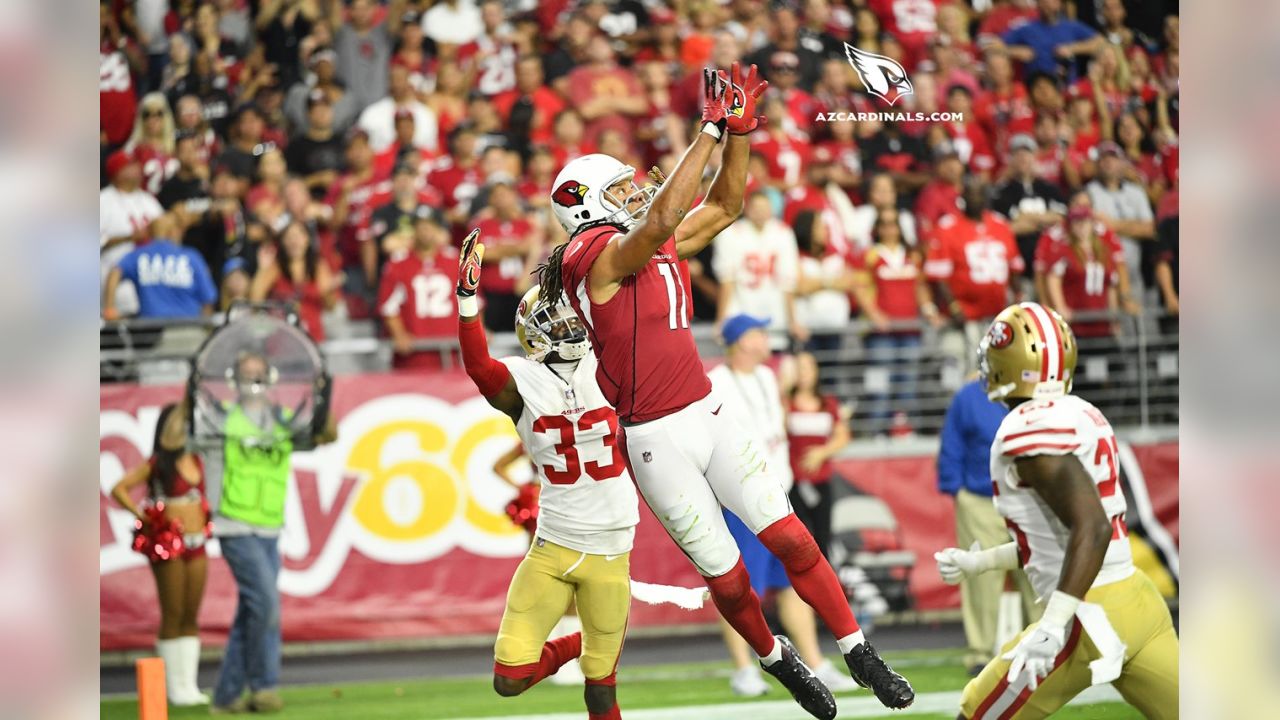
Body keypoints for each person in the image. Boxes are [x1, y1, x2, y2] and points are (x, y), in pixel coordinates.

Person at [536, 63, 914, 715]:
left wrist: (739, 132)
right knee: (729, 577)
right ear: (588, 203)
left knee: (792, 537)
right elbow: (654, 227)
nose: (634, 193)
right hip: (655, 440)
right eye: (621, 189)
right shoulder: (587, 257)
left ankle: (856, 648)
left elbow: (728, 205)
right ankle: (778, 660)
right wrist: (709, 128)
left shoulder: (639, 240)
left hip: (707, 411)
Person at [937, 302, 1178, 719]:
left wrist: (1052, 625)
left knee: (975, 713)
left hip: (1086, 613)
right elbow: (1061, 537)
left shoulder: (1027, 428)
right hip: (1137, 600)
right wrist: (982, 562)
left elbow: (1092, 528)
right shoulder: (1081, 412)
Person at [455, 230, 638, 720]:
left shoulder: (605, 362)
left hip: (610, 543)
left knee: (601, 692)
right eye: (557, 322)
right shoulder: (524, 384)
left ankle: (601, 638)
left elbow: (631, 303)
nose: (572, 327)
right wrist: (468, 301)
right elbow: (477, 365)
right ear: (536, 333)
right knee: (508, 679)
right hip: (553, 541)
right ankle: (588, 640)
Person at [708, 316, 859, 698]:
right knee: (740, 589)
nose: (764, 338)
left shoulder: (765, 376)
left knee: (792, 582)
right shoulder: (719, 383)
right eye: (757, 333)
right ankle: (743, 668)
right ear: (741, 341)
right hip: (743, 496)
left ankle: (816, 661)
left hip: (778, 493)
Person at [208, 350, 337, 714]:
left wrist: (324, 396)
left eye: (260, 373)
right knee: (265, 605)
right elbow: (183, 431)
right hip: (234, 523)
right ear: (234, 380)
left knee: (252, 611)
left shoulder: (282, 420)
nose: (254, 380)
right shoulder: (219, 418)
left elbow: (328, 434)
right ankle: (264, 688)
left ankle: (225, 696)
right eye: (247, 373)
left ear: (271, 377)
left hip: (268, 527)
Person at [110, 401, 212, 706]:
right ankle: (172, 687)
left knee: (191, 614)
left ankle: (188, 685)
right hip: (169, 543)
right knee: (173, 613)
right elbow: (119, 488)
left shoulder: (198, 459)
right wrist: (143, 516)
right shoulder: (156, 463)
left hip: (198, 542)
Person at [937, 376, 1040, 676]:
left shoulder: (1036, 392)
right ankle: (980, 652)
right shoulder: (969, 397)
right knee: (980, 579)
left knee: (1038, 572)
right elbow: (952, 442)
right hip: (981, 499)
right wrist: (957, 489)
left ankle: (1041, 645)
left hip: (1029, 498)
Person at [925, 178, 1025, 372]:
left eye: (980, 193)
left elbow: (1014, 269)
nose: (975, 198)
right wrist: (954, 307)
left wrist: (1016, 300)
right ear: (962, 196)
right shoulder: (948, 227)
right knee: (960, 370)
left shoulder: (1001, 225)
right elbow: (939, 276)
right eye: (971, 193)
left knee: (997, 370)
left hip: (997, 315)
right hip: (963, 317)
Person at [713, 190, 802, 349]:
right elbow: (727, 279)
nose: (760, 212)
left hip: (774, 313)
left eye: (764, 207)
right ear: (747, 209)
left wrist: (793, 320)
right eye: (756, 208)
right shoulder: (731, 233)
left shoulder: (783, 233)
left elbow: (787, 282)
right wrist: (721, 319)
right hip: (740, 311)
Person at [378, 207, 459, 370]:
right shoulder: (398, 263)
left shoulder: (455, 260)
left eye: (429, 225)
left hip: (451, 351)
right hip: (413, 354)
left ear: (438, 229)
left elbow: (474, 302)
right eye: (420, 226)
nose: (425, 231)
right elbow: (388, 306)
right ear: (413, 230)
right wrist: (399, 334)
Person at [103, 214, 218, 321]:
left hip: (151, 333)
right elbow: (208, 300)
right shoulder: (191, 257)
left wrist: (110, 309)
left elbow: (115, 272)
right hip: (187, 330)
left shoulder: (140, 255)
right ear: (172, 232)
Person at [1041, 206, 1133, 338]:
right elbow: (1053, 279)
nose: (1081, 226)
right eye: (1076, 222)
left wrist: (1114, 315)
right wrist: (1061, 308)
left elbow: (1111, 286)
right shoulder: (1064, 250)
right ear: (1070, 226)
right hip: (1076, 321)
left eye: (1085, 221)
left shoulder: (1104, 251)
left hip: (1102, 320)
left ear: (1091, 223)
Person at [992, 134, 1068, 278]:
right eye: (1017, 154)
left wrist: (1025, 218)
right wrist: (1045, 221)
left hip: (1053, 270)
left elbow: (1063, 220)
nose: (1022, 158)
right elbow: (1005, 230)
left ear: (1035, 157)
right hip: (1018, 269)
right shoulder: (1001, 192)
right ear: (1011, 159)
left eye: (1026, 153)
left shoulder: (1049, 188)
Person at [249, 221, 340, 342]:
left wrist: (329, 291)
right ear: (283, 242)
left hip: (312, 339)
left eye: (298, 236)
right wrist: (262, 270)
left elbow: (331, 307)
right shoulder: (275, 268)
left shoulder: (318, 267)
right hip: (281, 340)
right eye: (289, 236)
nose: (294, 241)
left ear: (307, 239)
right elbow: (255, 302)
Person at [101, 149, 165, 317]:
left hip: (152, 282)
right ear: (117, 172)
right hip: (116, 284)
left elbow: (167, 235)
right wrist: (129, 238)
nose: (137, 168)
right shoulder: (103, 201)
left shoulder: (149, 201)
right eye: (130, 165)